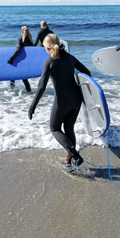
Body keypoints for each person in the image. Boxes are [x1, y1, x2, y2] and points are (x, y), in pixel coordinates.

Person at [28, 34, 92, 170]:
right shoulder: (70, 58)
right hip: (76, 100)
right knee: (69, 128)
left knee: (54, 128)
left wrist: (32, 106)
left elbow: (41, 87)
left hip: (62, 101)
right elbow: (87, 72)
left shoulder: (49, 62)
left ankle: (75, 155)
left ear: (47, 48)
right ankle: (70, 162)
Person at [7, 26, 33, 91]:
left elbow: (18, 49)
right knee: (24, 78)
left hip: (19, 61)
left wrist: (11, 58)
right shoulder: (30, 40)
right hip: (26, 62)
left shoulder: (20, 39)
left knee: (12, 76)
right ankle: (29, 92)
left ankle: (11, 92)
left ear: (21, 31)